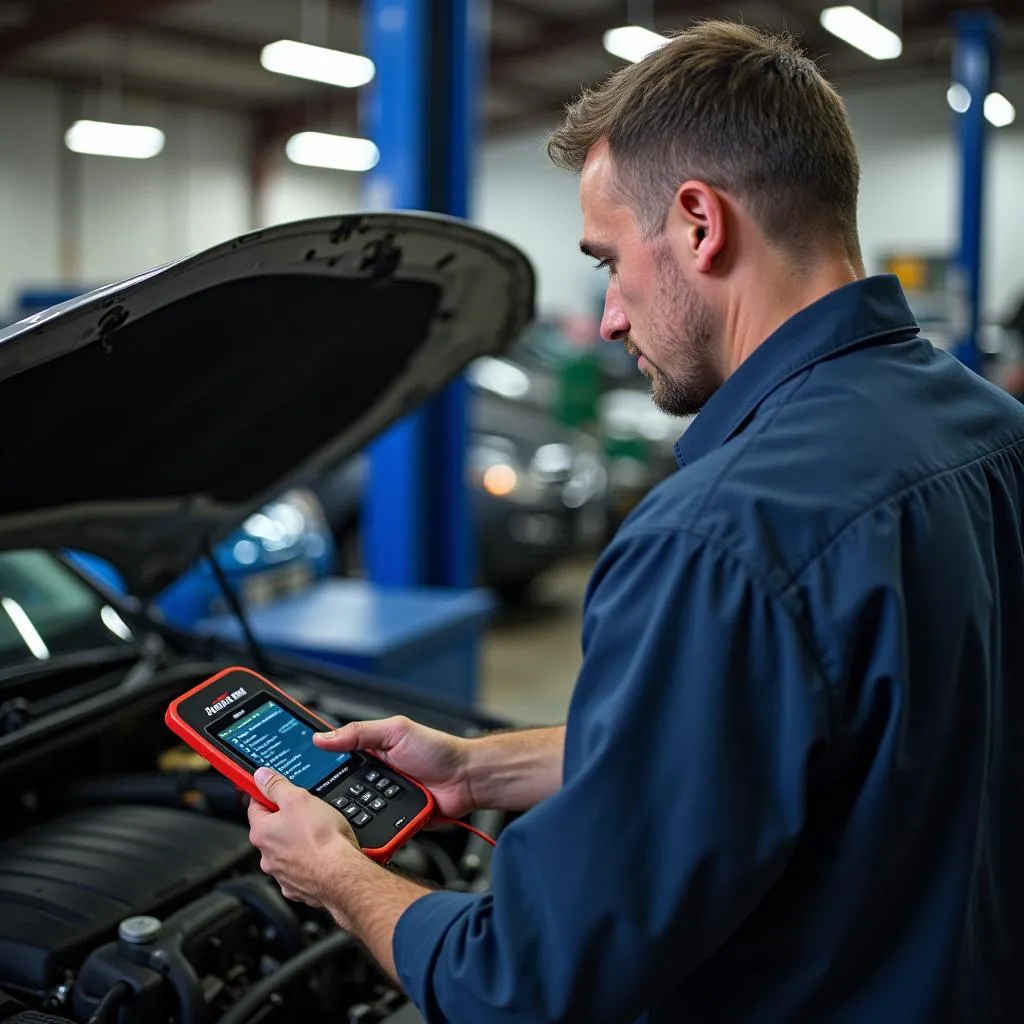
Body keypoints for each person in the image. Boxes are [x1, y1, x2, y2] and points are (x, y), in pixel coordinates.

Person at [247, 19, 1024, 1023]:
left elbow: (526, 984)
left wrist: (337, 875)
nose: (609, 317)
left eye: (609, 260)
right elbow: (808, 737)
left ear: (699, 223)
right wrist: (479, 767)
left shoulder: (719, 536)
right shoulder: (993, 429)